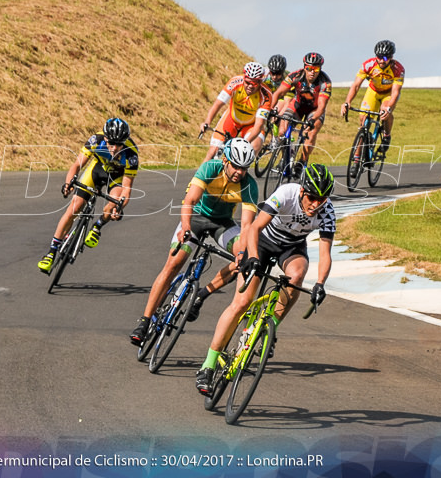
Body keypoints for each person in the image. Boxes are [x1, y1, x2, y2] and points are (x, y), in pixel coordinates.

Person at [195, 164, 335, 396]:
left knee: (297, 275)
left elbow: (325, 254)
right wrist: (251, 256)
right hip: (262, 240)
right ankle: (208, 365)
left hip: (291, 247)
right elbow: (254, 227)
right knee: (241, 303)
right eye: (312, 197)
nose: (316, 204)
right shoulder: (286, 194)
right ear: (302, 191)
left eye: (322, 199)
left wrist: (321, 283)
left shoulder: (327, 211)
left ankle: (268, 329)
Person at [129, 138, 260, 345]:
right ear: (225, 159)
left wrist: (242, 252)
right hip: (196, 216)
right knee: (173, 263)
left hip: (222, 223)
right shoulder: (210, 168)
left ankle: (202, 294)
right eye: (235, 166)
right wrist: (186, 228)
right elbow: (189, 201)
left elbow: (246, 226)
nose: (239, 172)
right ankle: (144, 321)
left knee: (240, 260)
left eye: (244, 168)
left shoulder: (249, 185)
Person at [38, 118, 138, 274]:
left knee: (113, 203)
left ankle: (97, 226)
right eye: (112, 143)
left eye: (120, 144)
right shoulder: (96, 140)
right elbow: (77, 165)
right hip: (97, 170)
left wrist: (120, 206)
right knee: (74, 207)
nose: (115, 147)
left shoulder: (131, 154)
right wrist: (68, 184)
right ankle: (51, 252)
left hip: (116, 177)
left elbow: (127, 188)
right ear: (105, 138)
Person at [340, 39, 405, 157]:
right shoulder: (368, 65)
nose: (381, 60)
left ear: (391, 57)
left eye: (384, 58)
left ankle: (386, 135)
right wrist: (347, 102)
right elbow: (355, 85)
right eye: (378, 57)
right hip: (373, 91)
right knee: (363, 122)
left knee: (384, 110)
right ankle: (357, 158)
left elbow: (395, 92)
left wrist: (389, 108)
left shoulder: (398, 69)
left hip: (388, 93)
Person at [201, 62, 273, 163]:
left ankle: (240, 174)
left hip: (251, 125)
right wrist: (207, 122)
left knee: (251, 149)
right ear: (244, 78)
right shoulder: (235, 82)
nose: (250, 86)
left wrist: (244, 144)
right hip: (232, 119)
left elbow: (259, 125)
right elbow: (218, 104)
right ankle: (198, 178)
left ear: (260, 82)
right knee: (212, 151)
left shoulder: (266, 95)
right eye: (247, 82)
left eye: (254, 83)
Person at [269, 52, 333, 164]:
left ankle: (302, 161)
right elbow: (278, 93)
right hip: (298, 105)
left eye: (316, 69)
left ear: (320, 69)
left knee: (310, 133)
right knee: (282, 131)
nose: (312, 72)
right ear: (304, 67)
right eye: (309, 68)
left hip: (315, 110)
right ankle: (286, 157)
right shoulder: (296, 76)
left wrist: (312, 120)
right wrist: (269, 109)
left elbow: (322, 106)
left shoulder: (325, 82)